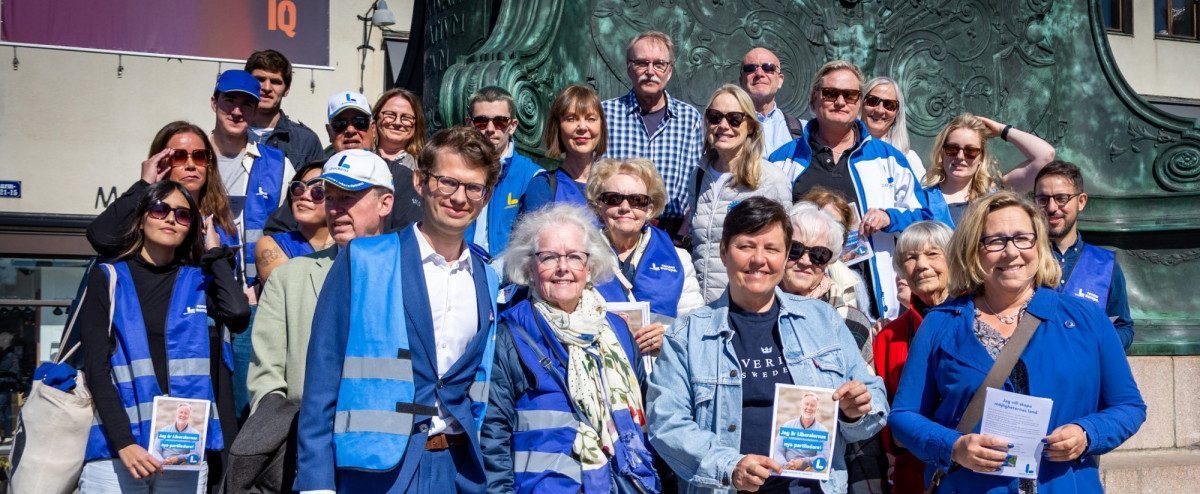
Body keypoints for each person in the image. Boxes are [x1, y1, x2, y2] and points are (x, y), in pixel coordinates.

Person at [889, 192, 1146, 493]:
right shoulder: (942, 323)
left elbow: (1128, 406)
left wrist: (1087, 433)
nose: (1011, 252)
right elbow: (904, 416)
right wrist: (954, 446)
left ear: (1038, 244)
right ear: (974, 249)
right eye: (995, 241)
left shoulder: (1086, 320)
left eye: (1023, 238)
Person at [294, 127, 503, 493]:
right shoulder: (363, 261)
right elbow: (323, 376)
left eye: (474, 188)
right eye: (447, 182)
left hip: (455, 468)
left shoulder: (486, 277)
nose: (459, 198)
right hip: (375, 470)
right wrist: (316, 483)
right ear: (420, 182)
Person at [647, 197, 887, 493]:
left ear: (785, 255)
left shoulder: (823, 320)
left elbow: (873, 397)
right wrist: (729, 466)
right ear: (724, 252)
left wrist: (855, 411)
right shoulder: (687, 334)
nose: (759, 259)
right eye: (746, 246)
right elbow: (666, 421)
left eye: (771, 249)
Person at [77, 181, 250, 492]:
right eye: (160, 209)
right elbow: (96, 369)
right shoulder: (109, 276)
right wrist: (125, 443)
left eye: (183, 215)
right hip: (118, 452)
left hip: (180, 453)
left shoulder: (197, 281)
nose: (171, 218)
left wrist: (213, 251)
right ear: (142, 217)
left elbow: (237, 313)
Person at [482, 203, 660, 493]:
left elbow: (648, 415)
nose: (563, 268)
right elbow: (492, 436)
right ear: (529, 268)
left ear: (589, 268)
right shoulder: (509, 336)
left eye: (575, 257)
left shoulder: (616, 330)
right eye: (549, 257)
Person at [769, 60, 924, 320]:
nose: (840, 101)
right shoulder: (782, 160)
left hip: (868, 302)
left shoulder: (888, 159)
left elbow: (925, 215)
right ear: (814, 99)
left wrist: (890, 217)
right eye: (831, 93)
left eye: (850, 95)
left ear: (859, 102)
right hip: (794, 296)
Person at [247, 149, 395, 413]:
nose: (335, 209)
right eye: (330, 197)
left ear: (385, 203)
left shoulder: (411, 274)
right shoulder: (288, 278)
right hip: (306, 436)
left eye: (348, 197)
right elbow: (265, 377)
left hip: (385, 439)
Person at [263, 91, 422, 237]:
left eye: (360, 122)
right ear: (329, 131)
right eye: (340, 124)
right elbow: (276, 231)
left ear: (372, 128)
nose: (351, 130)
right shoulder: (313, 174)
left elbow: (409, 234)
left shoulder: (400, 176)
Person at [587, 158, 704, 355]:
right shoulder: (579, 256)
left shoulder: (680, 259)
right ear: (599, 205)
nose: (625, 207)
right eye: (614, 198)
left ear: (650, 208)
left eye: (637, 200)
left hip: (659, 372)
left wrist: (668, 336)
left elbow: (696, 326)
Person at [865, 112, 1056, 232]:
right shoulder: (923, 198)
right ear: (942, 152)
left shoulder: (996, 193)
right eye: (952, 149)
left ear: (981, 156)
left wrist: (1001, 130)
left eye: (971, 151)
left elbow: (1045, 156)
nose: (961, 157)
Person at [689, 84, 792, 303]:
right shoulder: (699, 176)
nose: (723, 125)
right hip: (702, 306)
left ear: (751, 127)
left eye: (734, 118)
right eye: (715, 117)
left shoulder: (770, 180)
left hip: (747, 305)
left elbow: (784, 249)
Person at [871, 220, 953, 494]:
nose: (921, 265)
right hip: (915, 479)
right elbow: (885, 416)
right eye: (910, 257)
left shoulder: (980, 320)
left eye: (932, 254)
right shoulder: (888, 337)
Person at [602, 31, 705, 241]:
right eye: (642, 63)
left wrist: (681, 235)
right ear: (629, 67)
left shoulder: (689, 119)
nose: (650, 72)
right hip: (613, 230)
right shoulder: (605, 114)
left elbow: (695, 184)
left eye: (659, 64)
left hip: (669, 233)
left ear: (669, 70)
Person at [87, 121, 237, 261]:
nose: (191, 165)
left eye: (199, 156)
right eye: (179, 156)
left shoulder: (220, 219)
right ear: (160, 161)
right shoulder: (150, 214)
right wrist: (144, 184)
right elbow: (100, 237)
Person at [1034, 160, 1134, 350]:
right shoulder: (1021, 259)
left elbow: (1124, 327)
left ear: (1081, 201)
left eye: (1061, 198)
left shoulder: (1106, 264)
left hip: (1087, 376)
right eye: (1043, 199)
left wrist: (1095, 344)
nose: (1052, 207)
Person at [209, 69, 293, 290]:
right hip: (199, 292)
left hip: (256, 294)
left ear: (255, 111)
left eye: (246, 104)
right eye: (229, 101)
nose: (237, 111)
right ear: (213, 103)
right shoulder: (192, 158)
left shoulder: (278, 165)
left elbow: (291, 234)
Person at [462, 86, 544, 256]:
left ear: (512, 126)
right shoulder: (456, 172)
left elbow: (536, 242)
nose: (490, 129)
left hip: (506, 279)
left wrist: (497, 272)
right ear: (469, 124)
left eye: (500, 122)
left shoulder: (532, 177)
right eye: (481, 121)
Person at [521, 84, 608, 214]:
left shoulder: (615, 186)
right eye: (571, 119)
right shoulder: (543, 187)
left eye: (591, 119)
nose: (582, 127)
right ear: (558, 127)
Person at [252, 161, 332, 283]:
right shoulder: (273, 245)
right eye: (299, 188)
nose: (304, 196)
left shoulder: (349, 245)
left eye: (318, 191)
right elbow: (296, 294)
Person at [244, 49, 324, 169]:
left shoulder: (306, 141)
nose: (266, 87)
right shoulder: (229, 134)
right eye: (260, 79)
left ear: (286, 90)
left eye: (275, 82)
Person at [738, 47, 805, 155]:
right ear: (741, 81)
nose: (759, 73)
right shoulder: (724, 128)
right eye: (750, 68)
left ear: (780, 80)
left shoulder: (802, 130)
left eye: (768, 67)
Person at [860, 76, 927, 179]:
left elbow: (921, 194)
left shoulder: (908, 158)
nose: (880, 110)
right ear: (861, 104)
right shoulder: (844, 149)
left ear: (897, 113)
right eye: (873, 101)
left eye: (889, 105)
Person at [771, 393, 831, 472]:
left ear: (817, 408)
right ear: (801, 406)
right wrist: (785, 465)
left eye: (812, 405)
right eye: (806, 404)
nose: (809, 407)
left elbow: (823, 457)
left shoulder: (823, 431)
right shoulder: (787, 426)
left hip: (809, 470)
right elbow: (777, 451)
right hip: (786, 469)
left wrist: (803, 462)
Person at [373, 88, 426, 172]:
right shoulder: (359, 156)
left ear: (416, 124)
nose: (397, 123)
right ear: (376, 118)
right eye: (390, 115)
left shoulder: (424, 167)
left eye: (406, 117)